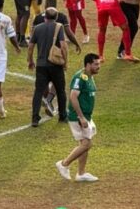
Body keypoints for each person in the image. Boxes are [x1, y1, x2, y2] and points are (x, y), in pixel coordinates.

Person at [56, 53, 102, 182]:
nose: (98, 66)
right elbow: (73, 97)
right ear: (88, 65)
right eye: (96, 64)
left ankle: (81, 173)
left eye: (99, 64)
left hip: (86, 116)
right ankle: (64, 164)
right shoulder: (80, 78)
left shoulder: (89, 77)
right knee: (86, 144)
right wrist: (81, 117)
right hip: (78, 117)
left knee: (84, 143)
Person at [28, 6, 68, 127]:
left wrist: (30, 60)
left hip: (41, 65)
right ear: (56, 17)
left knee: (38, 92)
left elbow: (30, 46)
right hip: (55, 65)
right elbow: (63, 45)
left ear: (45, 17)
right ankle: (62, 116)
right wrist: (65, 62)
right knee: (61, 91)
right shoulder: (59, 27)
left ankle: (35, 118)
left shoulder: (37, 28)